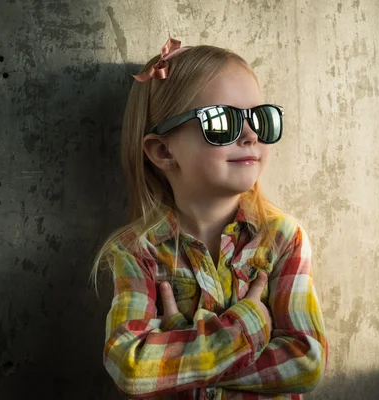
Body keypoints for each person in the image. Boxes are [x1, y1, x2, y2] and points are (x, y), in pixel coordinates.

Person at [90, 37, 328, 399]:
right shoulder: (136, 252)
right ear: (163, 150)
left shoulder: (283, 238)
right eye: (221, 121)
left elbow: (305, 361)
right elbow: (131, 365)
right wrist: (250, 324)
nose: (250, 136)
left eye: (260, 118)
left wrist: (181, 341)